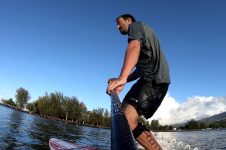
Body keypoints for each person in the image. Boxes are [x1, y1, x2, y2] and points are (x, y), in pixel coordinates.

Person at [107, 14, 170, 150]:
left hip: (154, 81)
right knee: (123, 115)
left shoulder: (136, 27)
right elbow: (138, 71)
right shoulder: (142, 38)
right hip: (146, 79)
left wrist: (121, 78)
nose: (117, 27)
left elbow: (133, 47)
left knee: (127, 120)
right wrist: (123, 80)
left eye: (119, 23)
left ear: (129, 20)